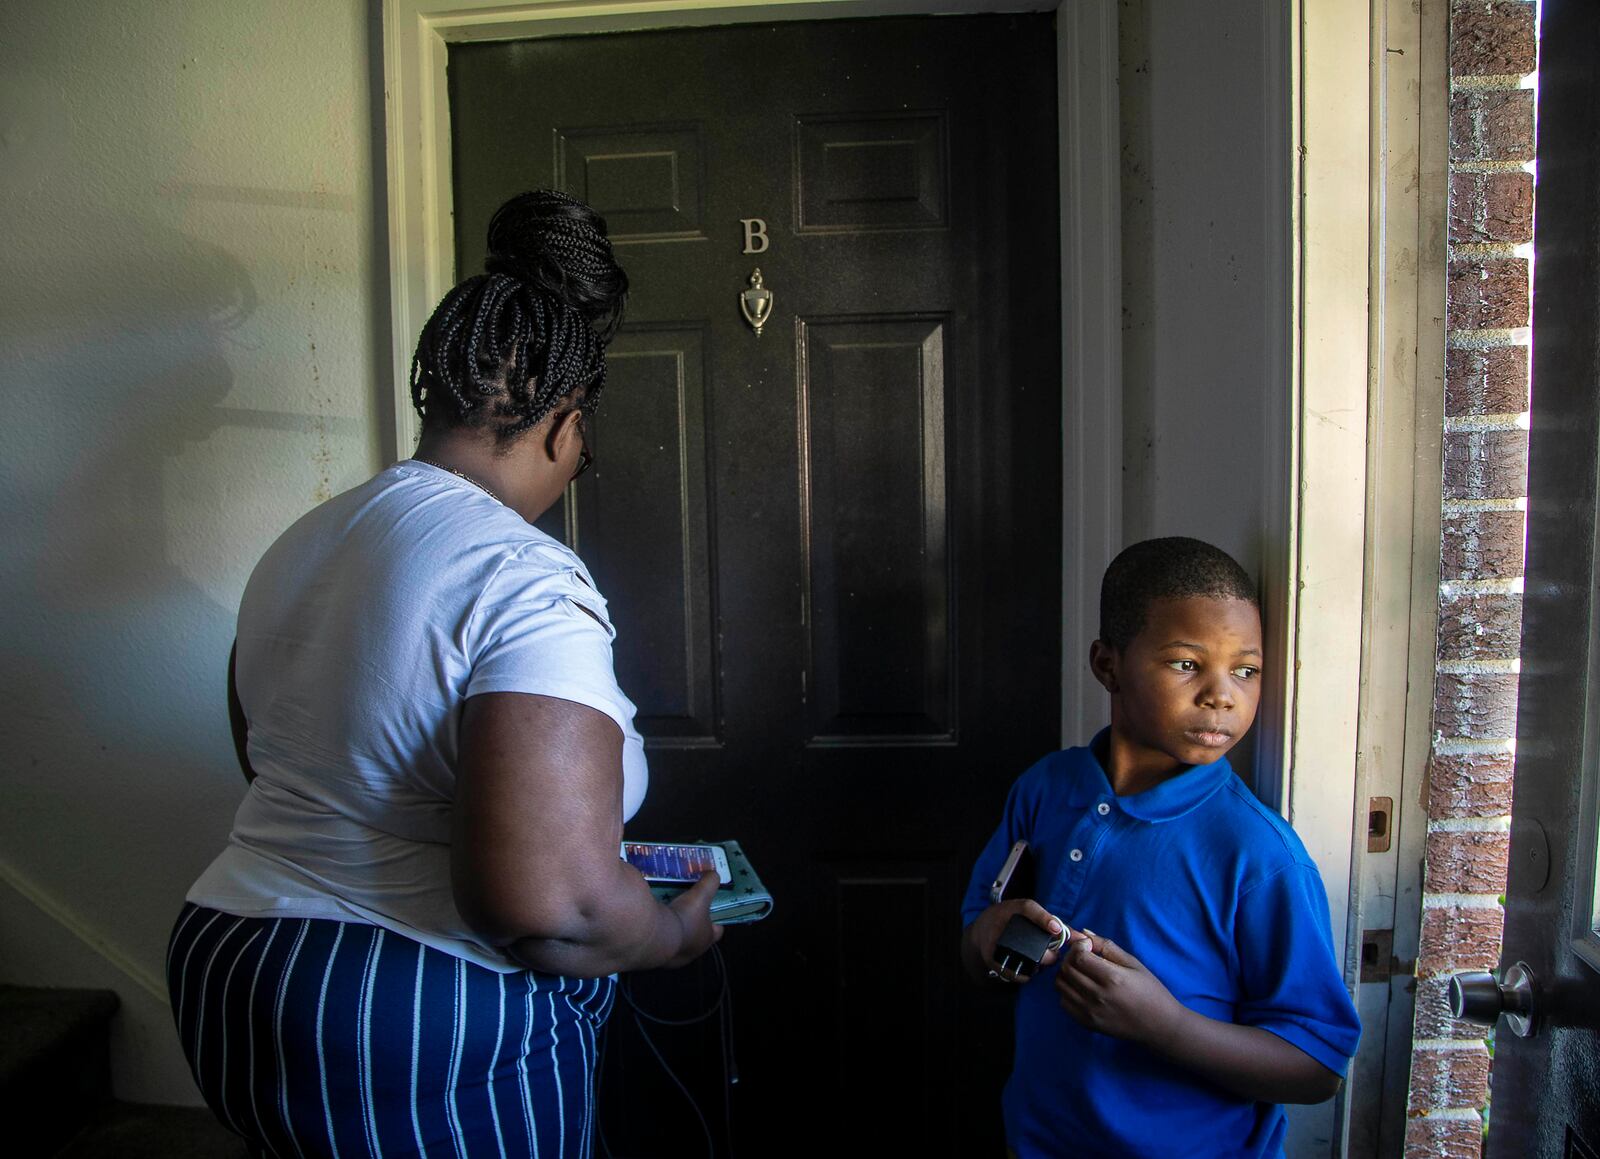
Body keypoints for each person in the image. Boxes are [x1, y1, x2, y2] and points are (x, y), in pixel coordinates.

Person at [166, 189, 721, 1158]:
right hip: (400, 1011)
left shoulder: (300, 544)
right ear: (564, 425)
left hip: (227, 960)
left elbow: (278, 758)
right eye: (581, 443)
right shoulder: (522, 577)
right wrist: (673, 938)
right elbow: (547, 906)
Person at [960, 537, 1361, 1158]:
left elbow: (1317, 1068)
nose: (1222, 695)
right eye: (1185, 664)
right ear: (1108, 664)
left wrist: (1165, 1026)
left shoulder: (1259, 856)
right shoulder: (1046, 789)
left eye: (1246, 671)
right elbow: (975, 945)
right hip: (1040, 1139)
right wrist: (991, 936)